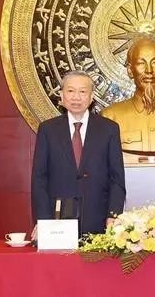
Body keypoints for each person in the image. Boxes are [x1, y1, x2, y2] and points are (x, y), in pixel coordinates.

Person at [31, 70, 125, 237]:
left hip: (99, 220)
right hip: (57, 223)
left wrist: (113, 215)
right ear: (61, 95)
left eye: (82, 92)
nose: (76, 97)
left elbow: (116, 178)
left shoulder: (109, 129)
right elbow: (39, 179)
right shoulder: (48, 130)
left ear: (91, 96)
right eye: (70, 91)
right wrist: (43, 220)